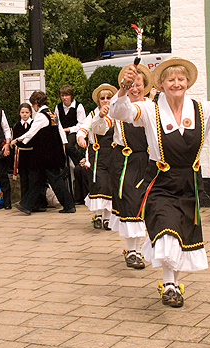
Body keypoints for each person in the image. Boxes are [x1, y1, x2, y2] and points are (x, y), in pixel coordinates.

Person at [111, 56, 210, 307]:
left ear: (187, 82)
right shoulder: (149, 109)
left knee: (181, 235)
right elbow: (119, 111)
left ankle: (172, 284)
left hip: (189, 183)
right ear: (162, 84)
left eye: (180, 79)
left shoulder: (204, 109)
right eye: (170, 79)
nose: (176, 83)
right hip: (160, 182)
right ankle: (169, 283)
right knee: (167, 232)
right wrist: (124, 88)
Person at [92, 65, 152, 270]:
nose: (135, 89)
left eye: (139, 85)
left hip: (147, 162)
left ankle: (139, 248)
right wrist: (100, 116)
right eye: (132, 85)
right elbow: (99, 129)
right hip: (124, 163)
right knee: (130, 202)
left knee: (144, 205)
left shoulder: (152, 107)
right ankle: (132, 250)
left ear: (146, 87)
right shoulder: (117, 107)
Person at [11, 90, 76, 215]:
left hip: (44, 155)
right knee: (38, 179)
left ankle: (69, 205)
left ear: (36, 103)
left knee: (54, 180)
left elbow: (31, 132)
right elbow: (60, 131)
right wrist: (63, 147)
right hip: (52, 154)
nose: (33, 109)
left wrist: (18, 140)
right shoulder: (52, 114)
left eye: (33, 105)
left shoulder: (41, 116)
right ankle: (27, 205)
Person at [77, 84, 117, 230]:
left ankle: (108, 218)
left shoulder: (118, 114)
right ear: (98, 101)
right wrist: (81, 137)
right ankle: (98, 215)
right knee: (98, 184)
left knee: (110, 186)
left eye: (109, 97)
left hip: (113, 155)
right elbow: (84, 127)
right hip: (97, 155)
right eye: (102, 98)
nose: (106, 100)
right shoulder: (93, 114)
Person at [54, 85, 86, 202]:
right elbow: (57, 122)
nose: (64, 98)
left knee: (69, 145)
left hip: (74, 131)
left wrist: (68, 129)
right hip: (62, 132)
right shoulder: (58, 107)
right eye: (62, 95)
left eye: (66, 95)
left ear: (71, 96)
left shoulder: (78, 106)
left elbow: (81, 124)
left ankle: (80, 161)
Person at [12, 103, 34, 200]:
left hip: (32, 153)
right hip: (21, 154)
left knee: (32, 178)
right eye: (22, 112)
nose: (24, 114)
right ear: (19, 113)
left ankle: (34, 201)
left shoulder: (34, 124)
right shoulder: (16, 126)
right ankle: (24, 200)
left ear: (30, 113)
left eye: (27, 112)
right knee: (23, 178)